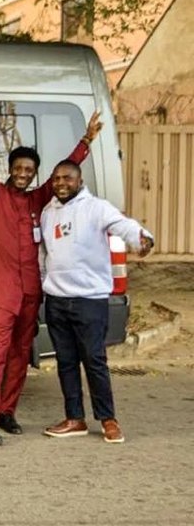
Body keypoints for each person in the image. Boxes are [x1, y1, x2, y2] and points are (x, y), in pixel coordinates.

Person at [0, 86, 102, 446]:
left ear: (33, 173)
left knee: (19, 355)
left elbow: (63, 175)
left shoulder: (37, 198)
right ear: (10, 169)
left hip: (32, 290)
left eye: (28, 170)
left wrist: (86, 141)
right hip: (2, 291)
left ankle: (7, 412)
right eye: (18, 168)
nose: (23, 173)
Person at [40, 160, 153, 444]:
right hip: (56, 299)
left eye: (67, 178)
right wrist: (45, 284)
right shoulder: (47, 212)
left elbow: (123, 225)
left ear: (79, 181)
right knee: (65, 362)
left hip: (89, 300)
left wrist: (141, 239)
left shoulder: (97, 208)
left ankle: (108, 419)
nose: (61, 183)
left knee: (94, 361)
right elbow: (44, 253)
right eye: (56, 179)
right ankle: (75, 418)